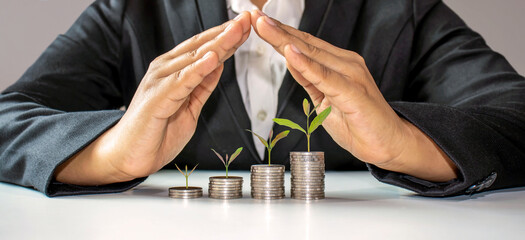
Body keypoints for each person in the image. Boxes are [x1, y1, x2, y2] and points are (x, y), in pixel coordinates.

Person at [1, 0, 524, 197]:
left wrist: (403, 143)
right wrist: (110, 155)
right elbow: (7, 119)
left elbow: (517, 116)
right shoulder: (130, 11)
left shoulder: (403, 11)